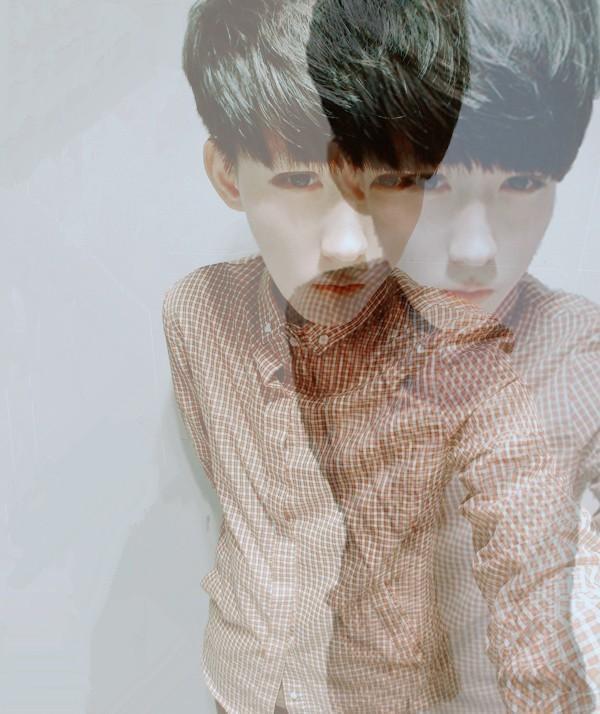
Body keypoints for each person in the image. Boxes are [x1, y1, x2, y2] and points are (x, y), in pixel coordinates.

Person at [163, 0, 600, 711]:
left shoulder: (495, 345)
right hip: (241, 686)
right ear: (227, 175)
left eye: (388, 180)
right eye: (299, 179)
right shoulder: (197, 314)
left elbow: (538, 587)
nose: (347, 244)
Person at [380, 0, 600, 710]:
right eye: (432, 180)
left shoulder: (578, 358)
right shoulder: (276, 349)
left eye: (523, 183)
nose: (476, 251)